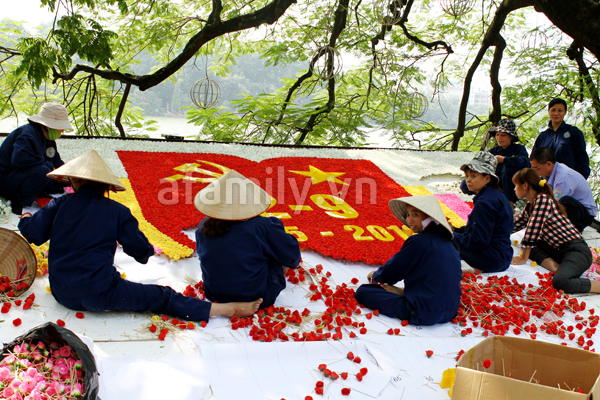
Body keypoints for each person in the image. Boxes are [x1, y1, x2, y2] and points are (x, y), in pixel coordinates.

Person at [18, 150, 261, 322]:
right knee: (161, 296)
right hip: (100, 294)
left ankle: (220, 309)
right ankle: (223, 309)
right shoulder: (117, 211)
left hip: (61, 293)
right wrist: (145, 250)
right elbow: (140, 253)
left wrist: (26, 219)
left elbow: (33, 234)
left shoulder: (58, 206)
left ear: (72, 181)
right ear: (106, 187)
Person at [194, 169, 301, 308]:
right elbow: (292, 257)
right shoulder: (261, 227)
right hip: (256, 296)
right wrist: (276, 226)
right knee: (277, 250)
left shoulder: (204, 225)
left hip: (214, 293)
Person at [354, 195, 461, 325]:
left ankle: (404, 295)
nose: (409, 220)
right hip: (450, 312)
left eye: (415, 215)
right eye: (408, 215)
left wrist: (377, 275)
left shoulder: (418, 241)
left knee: (364, 291)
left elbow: (393, 272)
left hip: (422, 312)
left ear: (430, 218)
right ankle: (403, 293)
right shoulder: (450, 244)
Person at [511, 168, 599, 294]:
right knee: (527, 244)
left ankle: (597, 286)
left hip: (576, 251)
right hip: (558, 251)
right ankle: (556, 267)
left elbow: (533, 230)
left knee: (561, 283)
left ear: (525, 185)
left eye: (516, 186)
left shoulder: (543, 200)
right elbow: (515, 226)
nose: (514, 189)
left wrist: (524, 258)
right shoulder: (530, 206)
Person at [0, 102, 73, 215]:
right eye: (61, 128)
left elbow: (58, 164)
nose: (62, 131)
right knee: (44, 171)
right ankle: (19, 203)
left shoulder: (48, 140)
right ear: (49, 125)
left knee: (55, 181)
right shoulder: (27, 134)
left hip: (22, 177)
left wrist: (73, 178)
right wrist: (46, 165)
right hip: (6, 179)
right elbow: (19, 160)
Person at [453, 151, 514, 273]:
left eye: (473, 176)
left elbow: (478, 240)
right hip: (503, 255)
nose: (468, 180)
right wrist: (455, 230)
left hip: (493, 258)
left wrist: (450, 235)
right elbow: (478, 229)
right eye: (467, 176)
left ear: (487, 178)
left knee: (444, 242)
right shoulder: (496, 195)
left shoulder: (485, 202)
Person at [459, 119, 530, 206]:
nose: (499, 138)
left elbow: (525, 163)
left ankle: (509, 202)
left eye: (503, 135)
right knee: (465, 184)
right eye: (497, 135)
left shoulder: (519, 149)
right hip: (495, 183)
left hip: (512, 185)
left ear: (511, 137)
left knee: (508, 168)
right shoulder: (493, 151)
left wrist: (504, 160)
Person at [530, 147, 599, 233]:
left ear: (548, 164)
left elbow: (556, 206)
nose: (535, 171)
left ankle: (572, 230)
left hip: (584, 215)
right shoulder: (548, 174)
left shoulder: (562, 178)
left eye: (537, 168)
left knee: (565, 201)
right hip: (575, 210)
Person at [532, 98, 590, 179]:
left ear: (565, 112)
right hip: (547, 184)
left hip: (569, 181)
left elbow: (582, 159)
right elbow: (534, 161)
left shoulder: (574, 132)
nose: (556, 113)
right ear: (548, 111)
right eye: (553, 110)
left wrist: (579, 181)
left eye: (560, 110)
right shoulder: (542, 136)